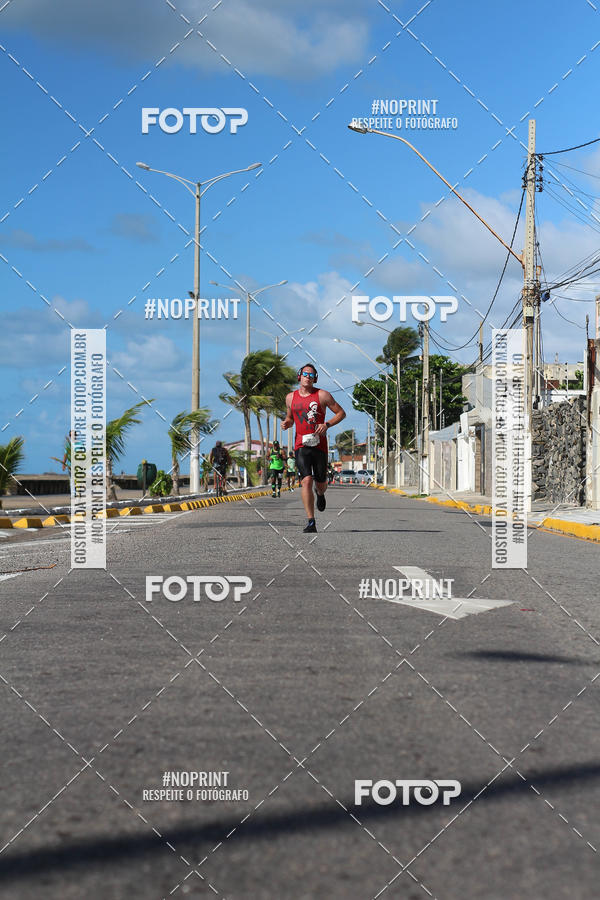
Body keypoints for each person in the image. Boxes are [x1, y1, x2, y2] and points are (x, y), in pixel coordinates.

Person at [281, 363, 346, 533]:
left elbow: (341, 413)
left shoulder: (322, 395)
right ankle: (311, 521)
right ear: (299, 376)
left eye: (311, 375)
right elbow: (290, 417)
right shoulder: (290, 398)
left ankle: (321, 493)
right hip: (301, 445)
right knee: (306, 480)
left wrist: (327, 424)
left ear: (315, 378)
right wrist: (287, 423)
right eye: (305, 374)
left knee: (321, 483)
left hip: (319, 445)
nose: (308, 377)